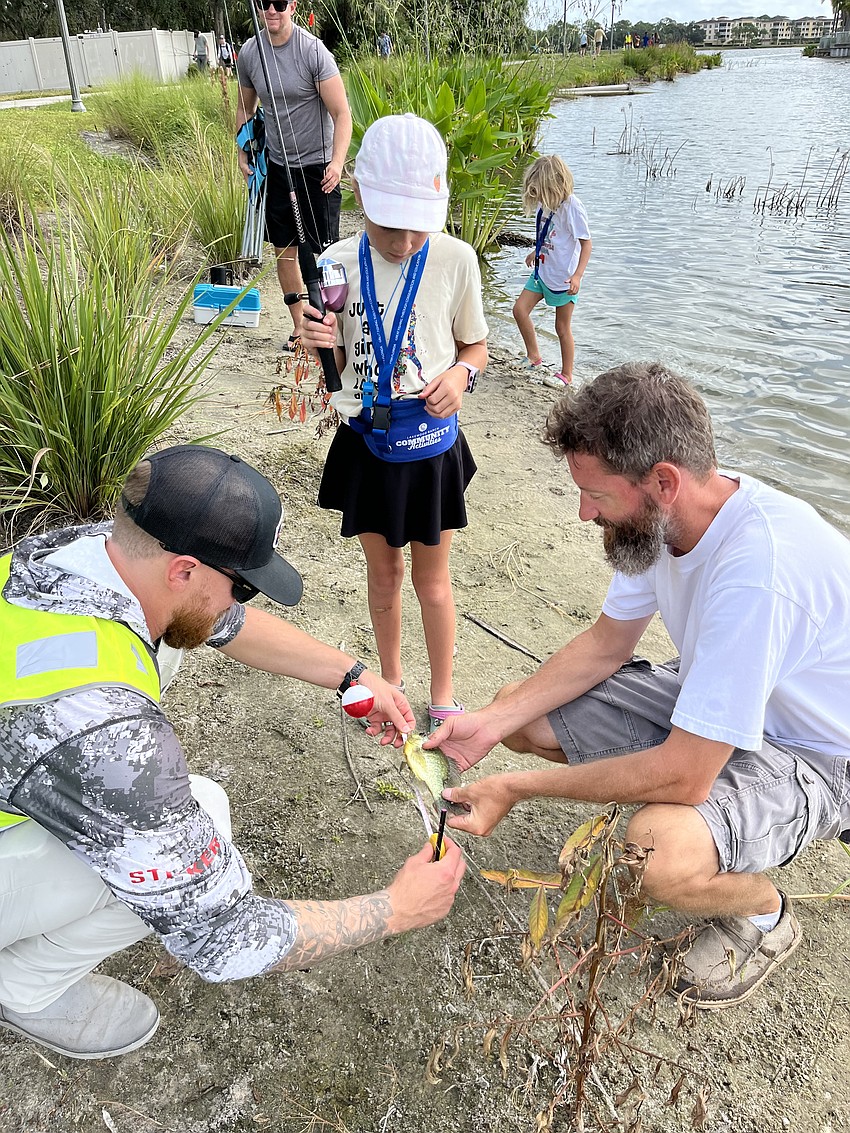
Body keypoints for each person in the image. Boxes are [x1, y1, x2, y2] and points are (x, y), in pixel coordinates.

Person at [0, 445, 465, 1060]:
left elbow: (225, 625)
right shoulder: (108, 735)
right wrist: (396, 908)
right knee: (197, 827)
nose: (242, 602)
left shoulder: (75, 554)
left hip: (41, 755)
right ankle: (23, 989)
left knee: (185, 763)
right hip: (73, 745)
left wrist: (355, 675)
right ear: (184, 571)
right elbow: (224, 936)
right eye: (240, 584)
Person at [430, 362, 850, 1010]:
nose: (582, 512)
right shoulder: (663, 521)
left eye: (596, 495)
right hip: (728, 698)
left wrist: (515, 787)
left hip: (817, 753)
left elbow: (685, 775)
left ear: (663, 482)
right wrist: (488, 724)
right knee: (522, 717)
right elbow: (605, 644)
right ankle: (718, 845)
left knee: (654, 850)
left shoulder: (758, 571)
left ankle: (764, 914)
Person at [300, 115, 488, 734]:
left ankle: (442, 695)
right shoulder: (333, 262)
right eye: (390, 223)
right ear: (358, 196)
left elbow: (475, 348)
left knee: (434, 582)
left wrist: (461, 378)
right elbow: (326, 350)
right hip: (366, 441)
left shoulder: (457, 259)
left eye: (419, 225)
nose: (406, 240)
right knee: (384, 576)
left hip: (432, 445)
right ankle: (391, 683)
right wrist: (313, 337)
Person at [236, 0, 352, 353]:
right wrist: (242, 151)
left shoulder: (313, 52)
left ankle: (333, 326)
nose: (272, 9)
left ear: (293, 7)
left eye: (280, 3)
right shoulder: (249, 53)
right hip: (277, 167)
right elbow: (245, 107)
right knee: (283, 250)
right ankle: (300, 327)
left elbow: (341, 113)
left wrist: (336, 163)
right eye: (263, 3)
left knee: (324, 255)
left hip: (318, 168)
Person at [512, 154, 592, 389]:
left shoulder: (572, 207)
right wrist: (535, 251)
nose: (539, 197)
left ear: (556, 185)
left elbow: (586, 243)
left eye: (542, 191)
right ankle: (534, 356)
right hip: (542, 271)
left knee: (561, 327)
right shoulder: (545, 202)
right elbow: (547, 231)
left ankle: (567, 374)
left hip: (564, 278)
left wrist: (577, 276)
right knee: (519, 310)